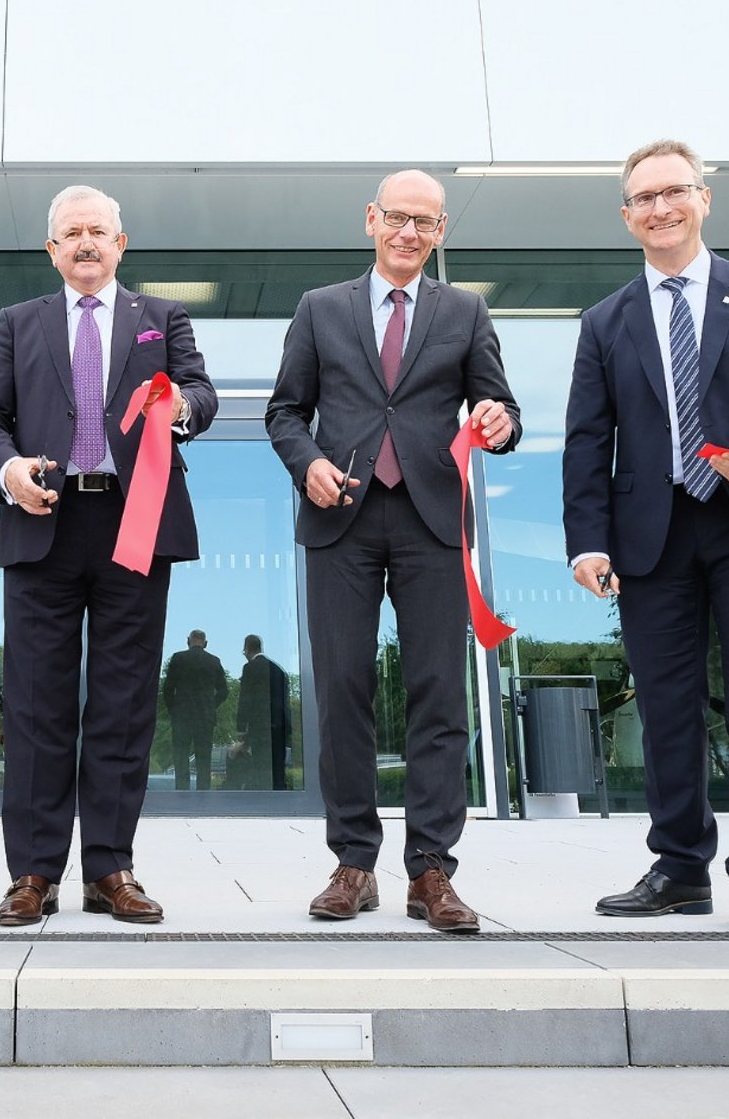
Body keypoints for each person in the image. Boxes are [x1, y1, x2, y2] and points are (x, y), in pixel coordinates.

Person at [265, 169, 519, 933]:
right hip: (339, 514)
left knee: (439, 691)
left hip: (432, 520)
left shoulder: (466, 311)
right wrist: (305, 460)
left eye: (427, 223)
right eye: (399, 218)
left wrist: (500, 421)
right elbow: (285, 411)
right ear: (372, 220)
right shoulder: (320, 308)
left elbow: (497, 402)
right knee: (342, 688)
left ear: (440, 232)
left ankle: (432, 871)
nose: (411, 232)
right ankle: (353, 864)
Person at [0, 184, 217, 926]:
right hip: (44, 519)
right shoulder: (19, 323)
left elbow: (201, 391)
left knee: (123, 702)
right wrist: (8, 471)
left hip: (136, 524)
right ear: (51, 249)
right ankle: (33, 873)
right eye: (70, 232)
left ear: (121, 243)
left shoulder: (161, 319)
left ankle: (110, 869)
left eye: (97, 231)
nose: (85, 243)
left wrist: (183, 410)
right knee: (37, 705)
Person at [564, 139, 729, 919]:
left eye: (674, 192)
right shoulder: (605, 321)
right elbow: (588, 438)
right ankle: (681, 870)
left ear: (704, 198)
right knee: (666, 705)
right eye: (645, 199)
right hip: (651, 537)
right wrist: (588, 540)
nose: (661, 208)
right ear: (627, 216)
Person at [162, 629, 228, 790]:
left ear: (188, 641)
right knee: (203, 759)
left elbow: (168, 689)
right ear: (205, 643)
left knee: (181, 757)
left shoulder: (178, 658)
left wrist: (174, 710)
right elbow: (223, 691)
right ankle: (203, 794)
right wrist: (211, 705)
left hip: (182, 716)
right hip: (205, 716)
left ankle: (182, 792)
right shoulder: (214, 661)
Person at [236, 634, 291, 791]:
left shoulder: (249, 668)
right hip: (279, 726)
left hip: (260, 727)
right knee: (278, 768)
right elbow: (284, 702)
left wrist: (241, 726)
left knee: (260, 766)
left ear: (247, 649)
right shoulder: (279, 670)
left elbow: (245, 699)